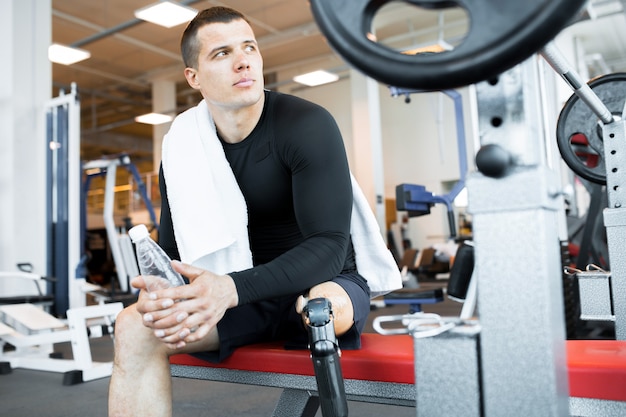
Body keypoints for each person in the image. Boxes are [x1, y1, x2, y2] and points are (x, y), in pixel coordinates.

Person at [108, 6, 378, 417]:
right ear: (193, 77)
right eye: (221, 53)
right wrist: (162, 295)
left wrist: (229, 289)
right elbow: (173, 252)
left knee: (319, 311)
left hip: (323, 281)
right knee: (133, 327)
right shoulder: (182, 148)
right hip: (241, 293)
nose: (243, 60)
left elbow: (329, 247)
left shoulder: (305, 124)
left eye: (249, 47)